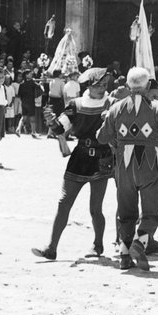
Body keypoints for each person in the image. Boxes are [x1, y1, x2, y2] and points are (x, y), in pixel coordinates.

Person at [96, 67, 158, 271]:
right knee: (152, 213)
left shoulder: (116, 108)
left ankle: (124, 256)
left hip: (124, 165)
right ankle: (139, 243)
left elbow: (101, 137)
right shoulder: (156, 108)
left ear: (128, 86)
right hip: (149, 163)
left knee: (126, 213)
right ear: (147, 86)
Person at [32, 67, 114, 260]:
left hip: (102, 158)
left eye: (104, 84)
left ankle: (98, 245)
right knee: (63, 203)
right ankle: (51, 248)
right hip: (79, 157)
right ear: (88, 86)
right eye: (97, 85)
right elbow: (61, 127)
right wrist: (51, 122)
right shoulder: (76, 104)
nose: (102, 88)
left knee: (95, 208)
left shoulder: (111, 104)